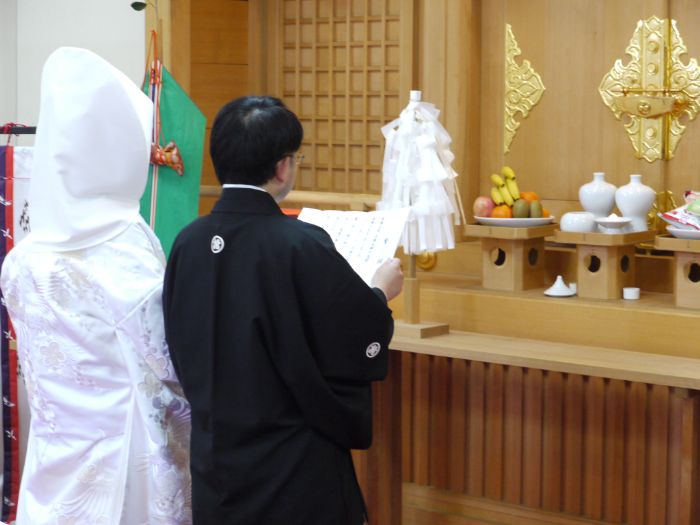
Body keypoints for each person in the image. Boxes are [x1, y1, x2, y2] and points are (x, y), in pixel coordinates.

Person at [162, 96, 403, 525]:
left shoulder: (188, 241)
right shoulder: (299, 243)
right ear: (282, 167)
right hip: (291, 465)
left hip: (216, 460)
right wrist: (380, 295)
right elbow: (352, 332)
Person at [0, 47, 191, 524]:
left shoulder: (21, 259)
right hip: (121, 458)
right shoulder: (122, 252)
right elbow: (169, 370)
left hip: (54, 449)